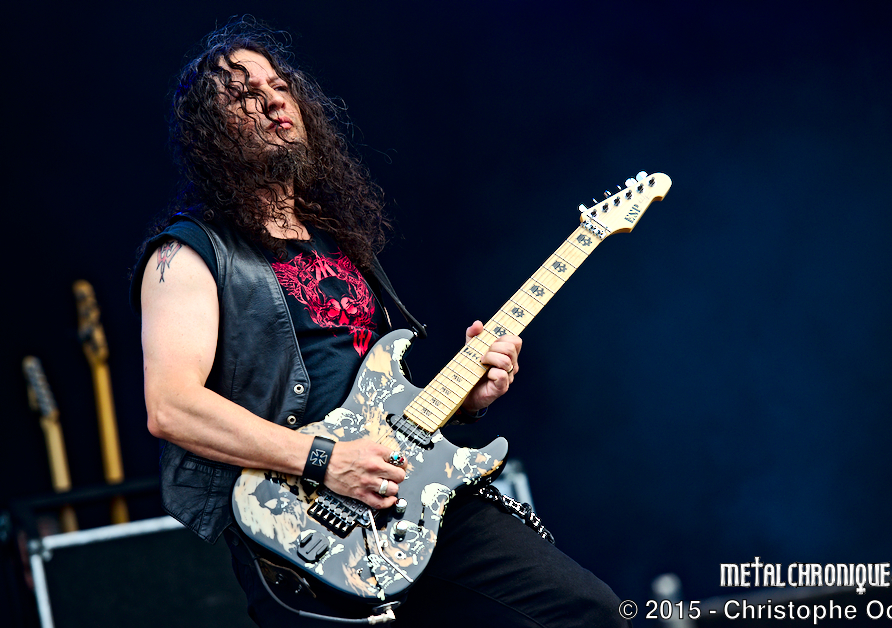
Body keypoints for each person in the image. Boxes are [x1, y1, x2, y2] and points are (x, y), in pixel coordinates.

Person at [132, 18, 626, 627]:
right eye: (244, 95)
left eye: (279, 85)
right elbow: (172, 407)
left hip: (415, 494)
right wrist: (325, 460)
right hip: (306, 524)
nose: (273, 100)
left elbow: (373, 389)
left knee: (589, 611)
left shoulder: (337, 238)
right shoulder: (188, 255)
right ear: (212, 133)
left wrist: (464, 398)